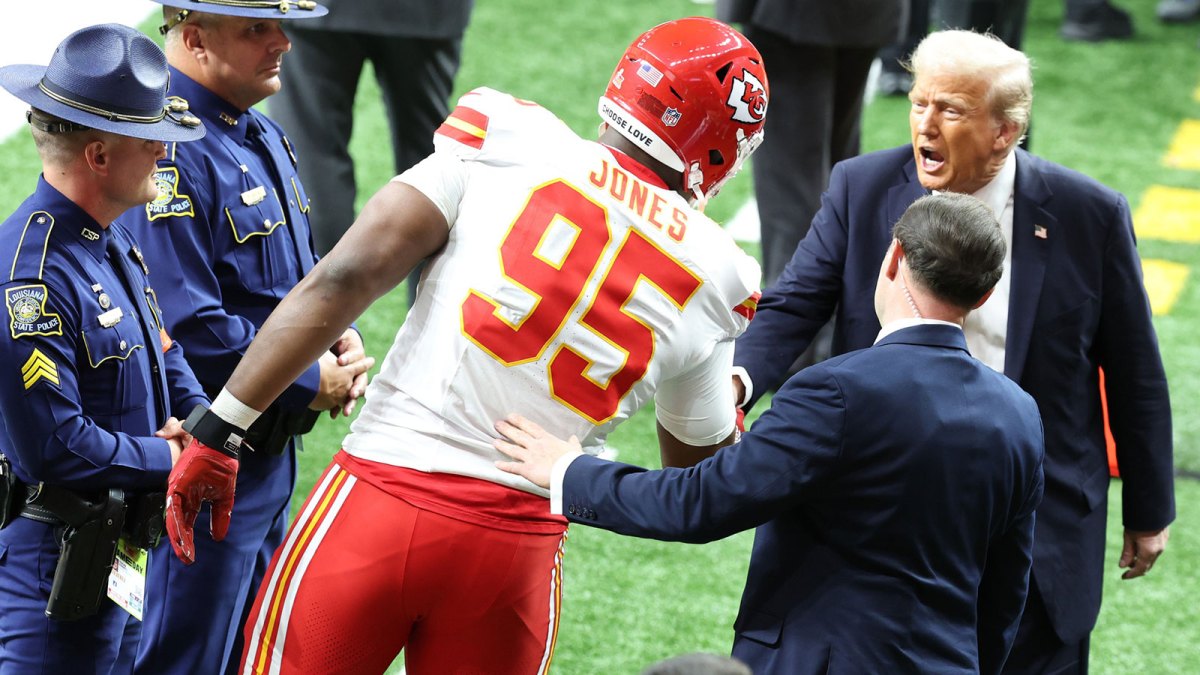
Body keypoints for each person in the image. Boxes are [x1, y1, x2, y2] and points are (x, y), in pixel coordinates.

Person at [163, 16, 767, 674]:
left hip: (384, 493)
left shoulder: (509, 132)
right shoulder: (719, 269)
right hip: (516, 546)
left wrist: (220, 424)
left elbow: (347, 274)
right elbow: (695, 474)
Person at [732, 30, 1174, 673]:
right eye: (918, 103)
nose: (925, 125)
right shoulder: (860, 188)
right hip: (887, 507)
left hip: (1034, 519)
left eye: (952, 110)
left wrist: (1149, 508)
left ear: (1006, 130)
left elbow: (1134, 370)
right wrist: (738, 383)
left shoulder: (1090, 215)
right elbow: (797, 302)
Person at [494, 192, 1046, 675]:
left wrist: (569, 471)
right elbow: (1005, 595)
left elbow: (700, 503)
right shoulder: (1019, 416)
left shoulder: (835, 392)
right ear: (983, 293)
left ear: (894, 258)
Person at [124, 3, 373, 673]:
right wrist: (307, 375)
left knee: (249, 652)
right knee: (184, 656)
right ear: (196, 37)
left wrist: (337, 337)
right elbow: (189, 322)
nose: (283, 42)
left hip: (266, 457)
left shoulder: (256, 132)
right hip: (209, 463)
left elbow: (292, 282)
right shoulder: (168, 150)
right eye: (256, 28)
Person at [0, 23, 208, 671]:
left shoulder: (108, 236)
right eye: (154, 143)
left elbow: (160, 346)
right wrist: (171, 456)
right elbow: (54, 444)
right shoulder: (29, 276)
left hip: (116, 554)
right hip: (53, 571)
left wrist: (203, 424)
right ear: (99, 156)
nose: (167, 159)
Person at [715, 0, 906, 288]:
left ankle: (797, 319)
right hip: (865, 12)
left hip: (790, 15)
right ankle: (836, 311)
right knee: (838, 166)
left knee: (793, 179)